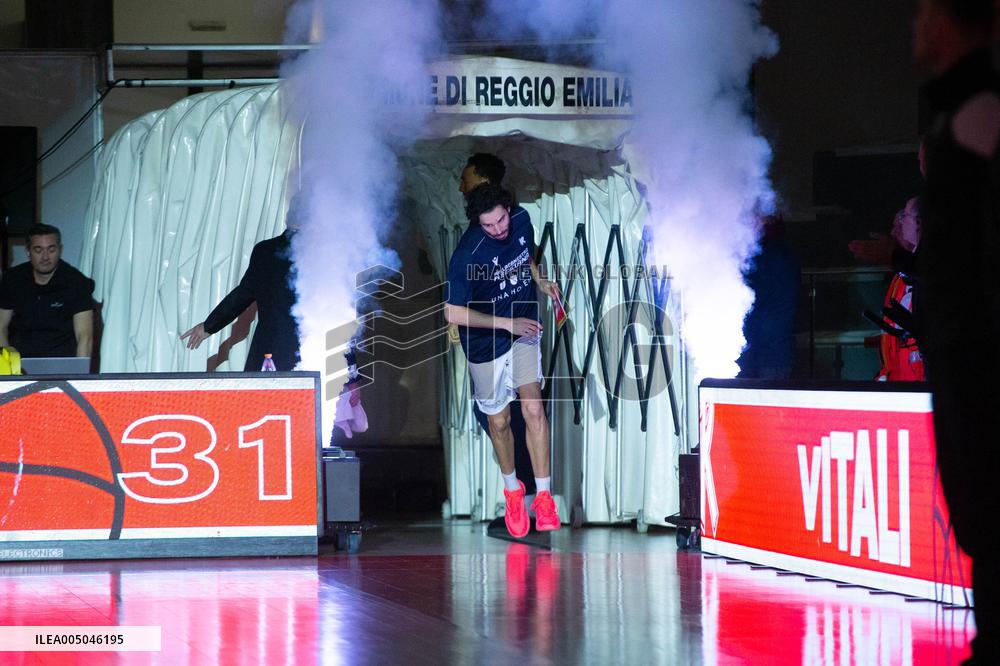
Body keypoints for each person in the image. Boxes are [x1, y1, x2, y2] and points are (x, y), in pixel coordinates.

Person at [912, 0, 1000, 662]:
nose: (916, 27)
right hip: (959, 346)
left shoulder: (980, 108)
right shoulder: (952, 108)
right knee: (974, 501)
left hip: (977, 351)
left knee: (987, 499)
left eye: (924, 12)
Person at [445, 184, 562, 537]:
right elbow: (452, 312)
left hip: (523, 327)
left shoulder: (522, 221)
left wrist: (540, 281)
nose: (498, 229)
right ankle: (513, 490)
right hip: (485, 342)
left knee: (533, 410)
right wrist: (504, 323)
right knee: (499, 422)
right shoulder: (468, 254)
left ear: (509, 209)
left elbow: (525, 255)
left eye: (501, 220)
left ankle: (543, 497)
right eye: (489, 226)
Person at [181, 226, 300, 371]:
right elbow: (244, 293)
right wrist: (208, 325)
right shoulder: (269, 251)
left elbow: (243, 294)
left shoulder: (266, 250)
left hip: (274, 348)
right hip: (303, 347)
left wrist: (209, 325)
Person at [0, 223, 94, 358]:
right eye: (38, 250)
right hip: (20, 365)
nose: (45, 257)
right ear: (28, 252)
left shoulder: (77, 283)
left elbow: (85, 336)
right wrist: (7, 369)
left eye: (51, 250)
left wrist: (79, 376)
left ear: (60, 250)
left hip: (63, 365)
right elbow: (1, 327)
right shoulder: (12, 280)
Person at [737, 214, 800, 379]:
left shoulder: (770, 256)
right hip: (775, 353)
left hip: (769, 354)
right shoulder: (783, 253)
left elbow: (752, 297)